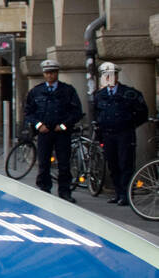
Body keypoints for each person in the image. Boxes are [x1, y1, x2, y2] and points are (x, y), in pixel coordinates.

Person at [23, 58, 83, 202]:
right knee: (44, 162)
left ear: (57, 73)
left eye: (53, 73)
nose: (50, 75)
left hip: (61, 131)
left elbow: (76, 112)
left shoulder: (67, 90)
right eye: (47, 73)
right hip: (44, 131)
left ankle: (64, 191)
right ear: (44, 74)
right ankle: (44, 189)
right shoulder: (36, 91)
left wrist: (63, 125)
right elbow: (28, 112)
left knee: (64, 162)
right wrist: (38, 125)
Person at [91, 61, 149, 204]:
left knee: (126, 164)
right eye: (106, 75)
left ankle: (126, 194)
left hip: (124, 134)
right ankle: (117, 192)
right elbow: (97, 115)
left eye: (112, 75)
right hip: (108, 134)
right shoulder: (99, 95)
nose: (109, 78)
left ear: (116, 76)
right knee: (113, 164)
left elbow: (142, 113)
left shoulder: (129, 93)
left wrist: (129, 124)